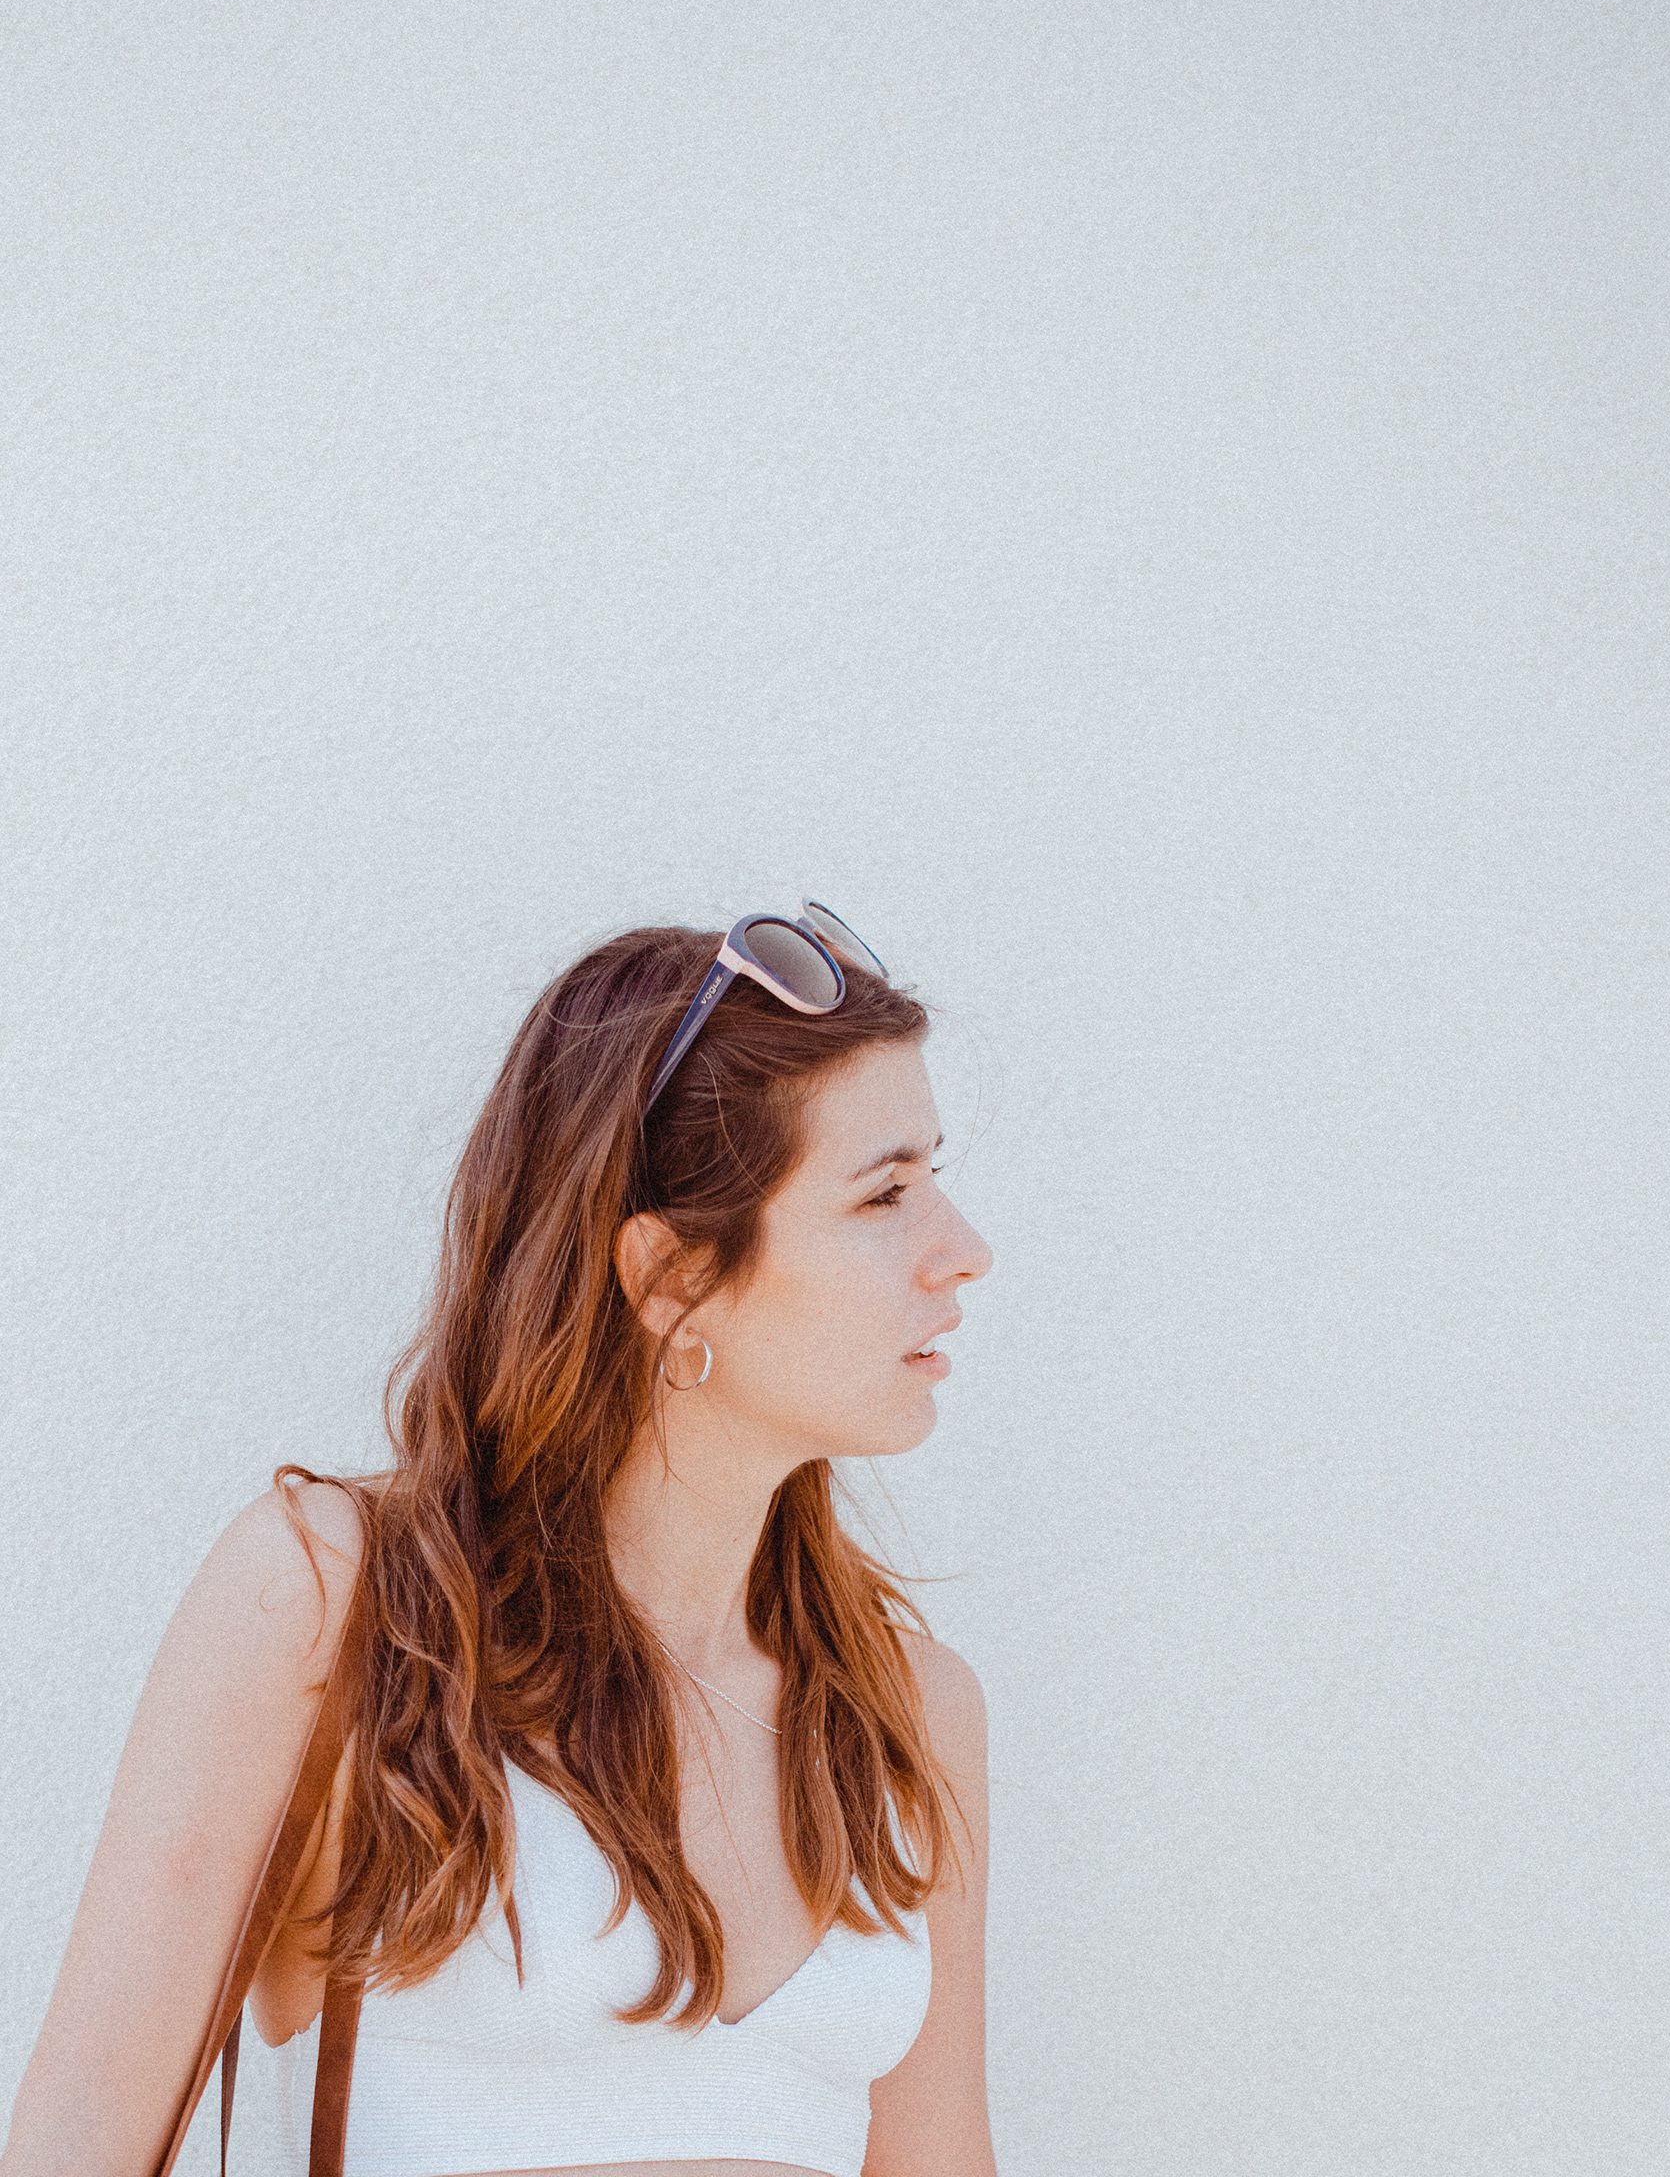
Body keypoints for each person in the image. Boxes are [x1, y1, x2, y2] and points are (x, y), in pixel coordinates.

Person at [2, 910, 997, 2177]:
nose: (963, 1253)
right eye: (885, 1194)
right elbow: (80, 2135)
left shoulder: (911, 1714)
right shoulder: (342, 1600)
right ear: (671, 1277)